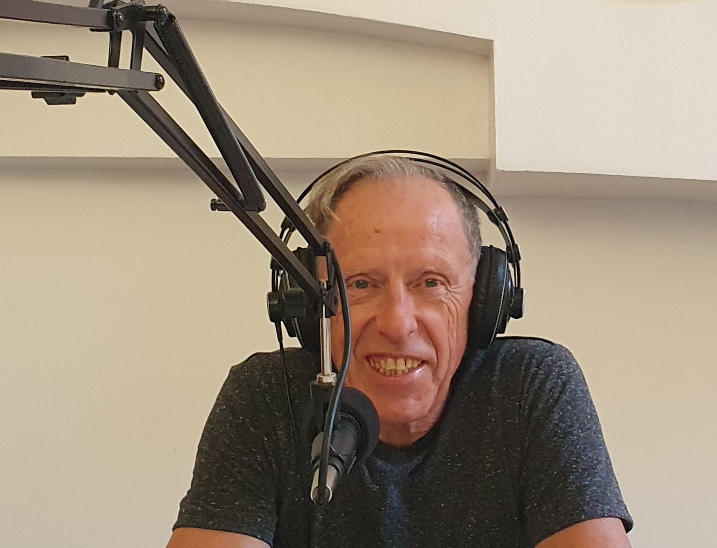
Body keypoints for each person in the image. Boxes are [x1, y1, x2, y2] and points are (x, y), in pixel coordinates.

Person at [166, 155, 633, 547]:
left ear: (484, 299)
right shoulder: (268, 396)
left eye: (430, 283)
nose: (397, 323)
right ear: (310, 303)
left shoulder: (530, 387)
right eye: (360, 284)